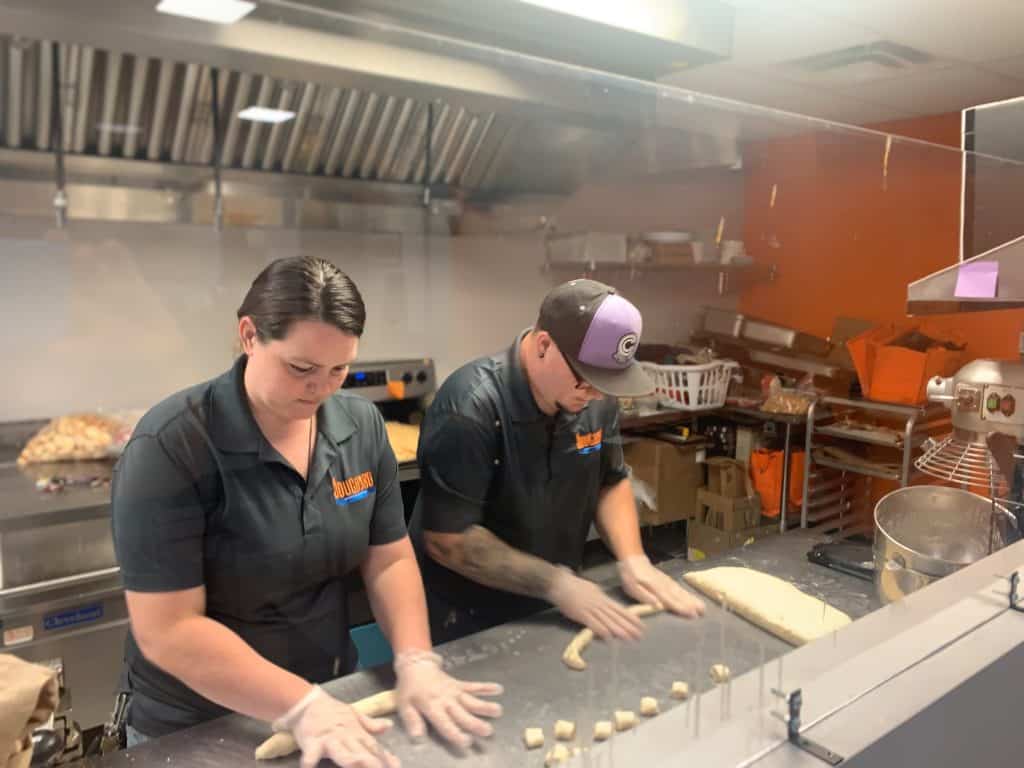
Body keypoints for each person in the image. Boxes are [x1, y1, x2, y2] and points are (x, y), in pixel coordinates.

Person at [111, 257, 502, 768]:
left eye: (339, 370)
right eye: (301, 368)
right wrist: (299, 705)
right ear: (249, 335)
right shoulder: (172, 446)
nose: (321, 388)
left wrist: (415, 658)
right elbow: (169, 630)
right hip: (199, 723)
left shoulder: (360, 426)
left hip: (330, 696)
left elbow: (388, 559)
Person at [409, 279, 705, 645]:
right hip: (466, 613)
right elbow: (448, 541)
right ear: (545, 345)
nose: (596, 394)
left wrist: (633, 560)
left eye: (607, 383)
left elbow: (609, 480)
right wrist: (557, 583)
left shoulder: (595, 398)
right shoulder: (469, 408)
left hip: (551, 603)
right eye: (586, 380)